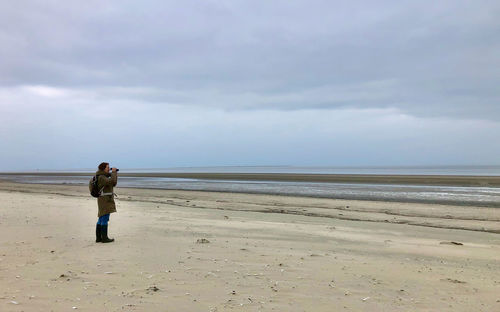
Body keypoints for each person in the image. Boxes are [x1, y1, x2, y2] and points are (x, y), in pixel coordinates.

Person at [95, 162, 118, 243]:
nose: (109, 168)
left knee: (101, 217)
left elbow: (110, 181)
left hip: (102, 199)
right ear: (103, 168)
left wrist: (111, 174)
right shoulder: (102, 177)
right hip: (105, 200)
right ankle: (104, 238)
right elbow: (113, 182)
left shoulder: (100, 176)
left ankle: (98, 238)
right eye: (108, 167)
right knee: (104, 218)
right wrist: (114, 172)